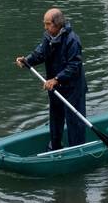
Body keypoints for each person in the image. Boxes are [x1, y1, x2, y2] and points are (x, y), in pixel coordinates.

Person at [15, 8, 87, 151]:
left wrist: (56, 79)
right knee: (55, 118)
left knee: (75, 121)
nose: (45, 27)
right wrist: (27, 60)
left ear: (57, 24)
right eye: (45, 24)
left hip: (73, 88)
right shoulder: (48, 37)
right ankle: (55, 146)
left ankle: (78, 150)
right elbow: (40, 53)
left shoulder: (72, 40)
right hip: (54, 87)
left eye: (48, 24)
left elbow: (74, 66)